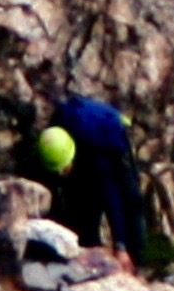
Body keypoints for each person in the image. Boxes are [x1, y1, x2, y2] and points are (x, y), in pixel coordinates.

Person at [35, 91, 148, 259]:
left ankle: (136, 257)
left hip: (112, 132)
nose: (61, 173)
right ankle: (88, 245)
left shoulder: (94, 154)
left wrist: (120, 245)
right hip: (82, 129)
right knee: (82, 198)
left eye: (63, 168)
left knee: (130, 198)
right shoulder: (50, 142)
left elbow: (111, 197)